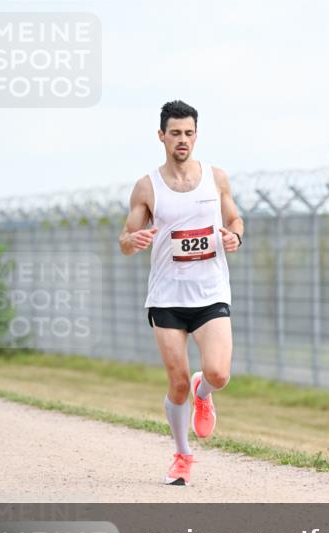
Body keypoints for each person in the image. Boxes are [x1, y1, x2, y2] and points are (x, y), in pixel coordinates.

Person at [118, 100, 244, 486]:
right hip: (167, 297)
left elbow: (235, 218)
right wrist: (132, 240)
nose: (183, 140)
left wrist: (234, 235)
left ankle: (202, 392)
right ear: (162, 136)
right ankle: (182, 455)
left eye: (189, 133)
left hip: (209, 294)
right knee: (174, 382)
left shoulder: (215, 178)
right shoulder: (147, 187)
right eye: (175, 133)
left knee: (219, 373)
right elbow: (124, 240)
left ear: (196, 135)